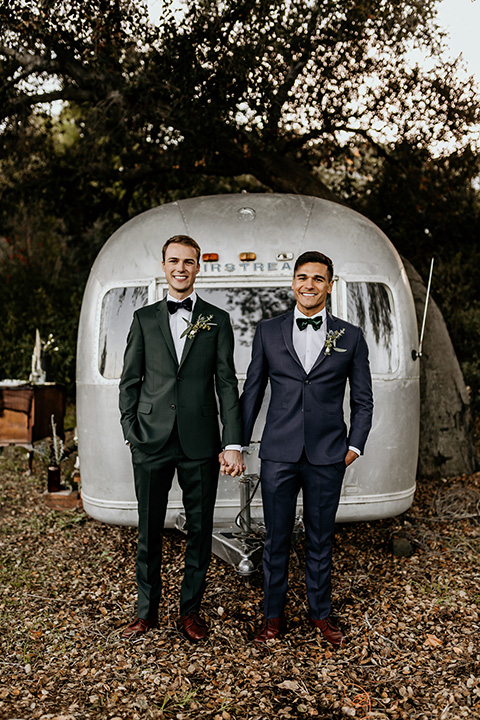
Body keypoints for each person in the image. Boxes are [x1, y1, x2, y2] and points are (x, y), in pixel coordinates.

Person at [240, 251, 373, 646]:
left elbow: (363, 400)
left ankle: (321, 616)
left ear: (330, 285)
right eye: (302, 277)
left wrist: (355, 447)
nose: (309, 284)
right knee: (275, 539)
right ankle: (273, 617)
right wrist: (236, 443)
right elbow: (252, 391)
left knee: (319, 539)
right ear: (293, 282)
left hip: (327, 456)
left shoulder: (350, 336)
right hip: (278, 455)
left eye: (318, 278)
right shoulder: (268, 331)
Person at [119, 234, 244, 642]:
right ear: (164, 265)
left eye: (188, 262)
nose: (181, 268)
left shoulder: (217, 319)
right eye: (174, 261)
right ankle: (146, 612)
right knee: (149, 528)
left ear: (198, 268)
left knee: (200, 529)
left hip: (200, 441)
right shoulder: (143, 319)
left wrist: (232, 441)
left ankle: (189, 612)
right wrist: (131, 432)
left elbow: (226, 383)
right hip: (150, 440)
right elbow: (129, 382)